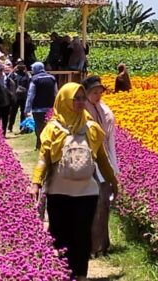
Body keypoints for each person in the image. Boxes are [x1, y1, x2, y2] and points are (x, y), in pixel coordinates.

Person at [28, 83, 119, 281]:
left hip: (87, 192)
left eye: (81, 98)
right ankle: (64, 272)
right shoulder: (53, 128)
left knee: (82, 234)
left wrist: (112, 181)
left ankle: (80, 274)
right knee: (61, 234)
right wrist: (36, 182)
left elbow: (102, 158)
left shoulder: (90, 127)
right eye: (75, 98)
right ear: (63, 100)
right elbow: (44, 157)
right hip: (58, 191)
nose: (79, 102)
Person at [82, 75, 119, 256]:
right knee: (91, 204)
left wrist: (113, 167)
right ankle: (90, 245)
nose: (98, 96)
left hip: (103, 160)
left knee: (103, 202)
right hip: (86, 162)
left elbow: (110, 140)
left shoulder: (105, 110)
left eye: (100, 92)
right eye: (94, 92)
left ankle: (102, 244)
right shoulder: (80, 110)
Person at [25, 62, 57, 150]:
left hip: (38, 108)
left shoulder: (34, 79)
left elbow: (31, 94)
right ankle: (49, 144)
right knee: (49, 126)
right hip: (50, 108)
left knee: (39, 127)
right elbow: (56, 92)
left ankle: (39, 145)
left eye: (33, 69)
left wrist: (27, 108)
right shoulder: (52, 78)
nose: (32, 71)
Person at [7, 62, 31, 133]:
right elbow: (7, 79)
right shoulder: (14, 74)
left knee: (23, 113)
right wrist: (13, 70)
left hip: (23, 97)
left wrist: (26, 71)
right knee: (13, 113)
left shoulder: (26, 75)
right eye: (19, 66)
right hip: (15, 97)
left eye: (22, 66)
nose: (21, 68)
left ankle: (22, 127)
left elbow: (30, 80)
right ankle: (10, 127)